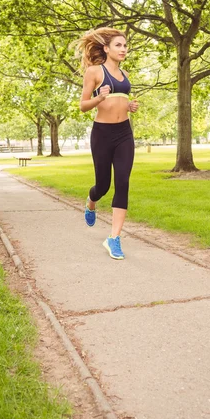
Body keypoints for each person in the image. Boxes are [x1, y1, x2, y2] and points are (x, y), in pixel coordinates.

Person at [77, 27, 139, 260]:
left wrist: (129, 107)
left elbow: (120, 101)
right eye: (118, 45)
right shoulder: (94, 71)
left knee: (122, 182)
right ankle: (91, 201)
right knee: (103, 185)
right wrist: (99, 98)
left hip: (124, 133)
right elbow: (83, 105)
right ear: (106, 48)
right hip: (102, 134)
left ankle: (114, 238)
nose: (123, 49)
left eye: (125, 46)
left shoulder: (124, 75)